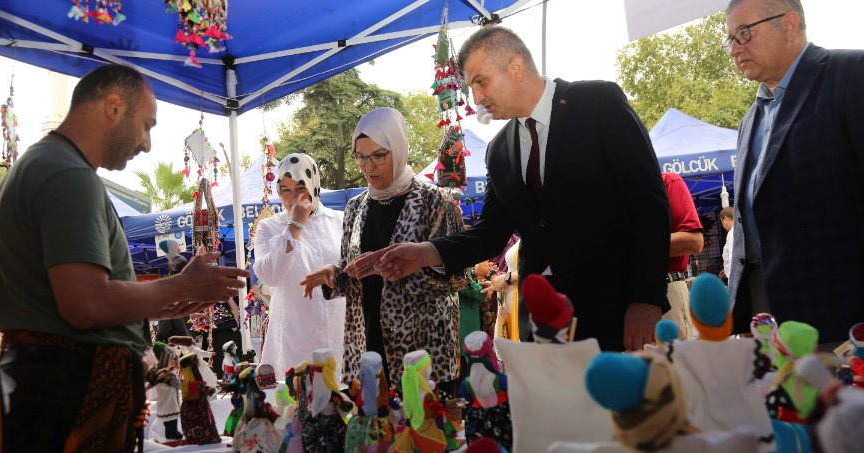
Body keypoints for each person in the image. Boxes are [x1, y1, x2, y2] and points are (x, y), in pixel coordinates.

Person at [350, 27, 670, 351]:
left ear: (515, 68)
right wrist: (424, 252)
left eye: (480, 81)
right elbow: (489, 234)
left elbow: (648, 204)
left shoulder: (598, 104)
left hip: (618, 312)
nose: (476, 99)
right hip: (541, 325)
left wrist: (647, 298)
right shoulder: (499, 150)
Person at [0, 64, 249, 452]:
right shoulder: (67, 175)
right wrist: (180, 284)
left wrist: (165, 300)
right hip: (65, 395)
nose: (147, 143)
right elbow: (85, 305)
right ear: (113, 107)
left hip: (51, 389)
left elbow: (68, 298)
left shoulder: (47, 165)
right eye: (147, 125)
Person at [724, 0, 864, 344]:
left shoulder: (851, 74)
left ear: (788, 24)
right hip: (767, 314)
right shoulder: (749, 121)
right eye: (730, 39)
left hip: (841, 312)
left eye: (744, 33)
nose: (734, 50)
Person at [300, 107, 466, 387]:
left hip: (423, 349)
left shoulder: (436, 203)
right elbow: (355, 268)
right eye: (360, 157)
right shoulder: (355, 208)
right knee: (374, 427)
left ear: (398, 149)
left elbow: (458, 277)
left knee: (425, 429)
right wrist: (335, 275)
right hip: (368, 343)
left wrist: (408, 268)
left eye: (378, 155)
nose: (368, 166)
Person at [253, 153, 346, 379]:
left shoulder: (340, 221)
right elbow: (270, 277)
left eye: (300, 188)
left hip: (338, 332)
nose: (293, 197)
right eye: (285, 189)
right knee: (297, 403)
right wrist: (294, 226)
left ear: (313, 186)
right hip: (294, 337)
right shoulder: (269, 227)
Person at [662, 172, 703, 339]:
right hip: (619, 294)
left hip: (666, 289)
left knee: (673, 362)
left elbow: (693, 241)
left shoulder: (667, 181)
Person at [718, 206, 734, 281]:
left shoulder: (731, 233)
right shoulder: (738, 230)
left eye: (722, 222)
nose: (723, 225)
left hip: (734, 277)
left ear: (725, 218)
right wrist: (726, 270)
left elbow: (733, 255)